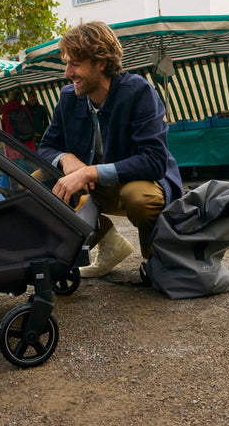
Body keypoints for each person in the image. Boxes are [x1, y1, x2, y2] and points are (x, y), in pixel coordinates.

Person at [38, 21, 182, 278]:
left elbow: (154, 161)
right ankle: (108, 241)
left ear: (101, 63)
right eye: (66, 63)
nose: (67, 72)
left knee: (138, 196)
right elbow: (46, 147)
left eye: (75, 64)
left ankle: (157, 257)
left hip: (140, 183)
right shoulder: (68, 98)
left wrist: (89, 173)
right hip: (97, 189)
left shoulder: (138, 92)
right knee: (38, 181)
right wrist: (67, 158)